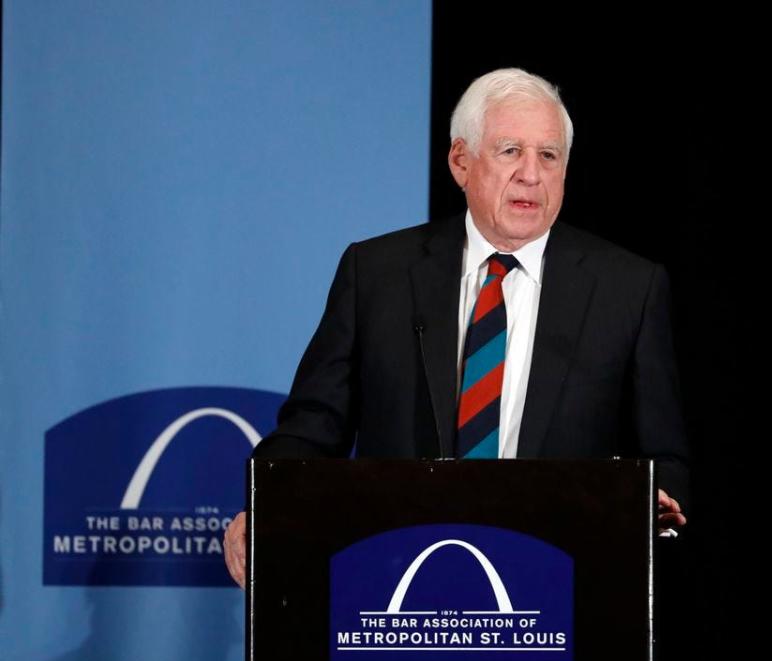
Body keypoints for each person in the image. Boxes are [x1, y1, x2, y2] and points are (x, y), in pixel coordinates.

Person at [224, 67, 688, 587]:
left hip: (557, 590)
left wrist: (656, 499)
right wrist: (264, 502)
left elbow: (664, 457)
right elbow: (312, 429)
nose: (531, 174)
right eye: (511, 151)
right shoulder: (378, 273)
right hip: (397, 583)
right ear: (461, 161)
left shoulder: (628, 288)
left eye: (549, 156)